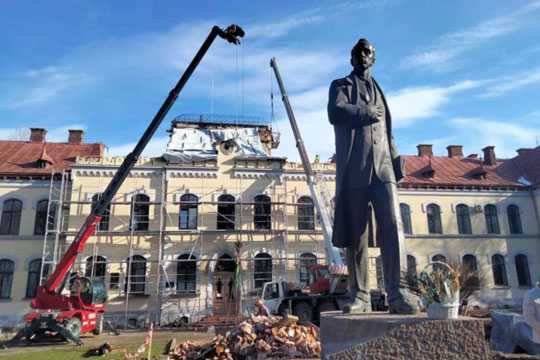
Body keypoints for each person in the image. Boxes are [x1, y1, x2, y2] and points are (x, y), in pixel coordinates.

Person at [328, 38, 419, 314]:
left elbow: (387, 130)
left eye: (368, 52)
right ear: (351, 58)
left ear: (374, 59)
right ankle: (360, 295)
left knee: (393, 223)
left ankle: (397, 291)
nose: (363, 56)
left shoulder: (380, 90)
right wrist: (365, 112)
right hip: (356, 168)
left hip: (383, 168)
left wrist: (395, 157)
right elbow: (336, 111)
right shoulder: (340, 85)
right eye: (358, 52)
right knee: (357, 233)